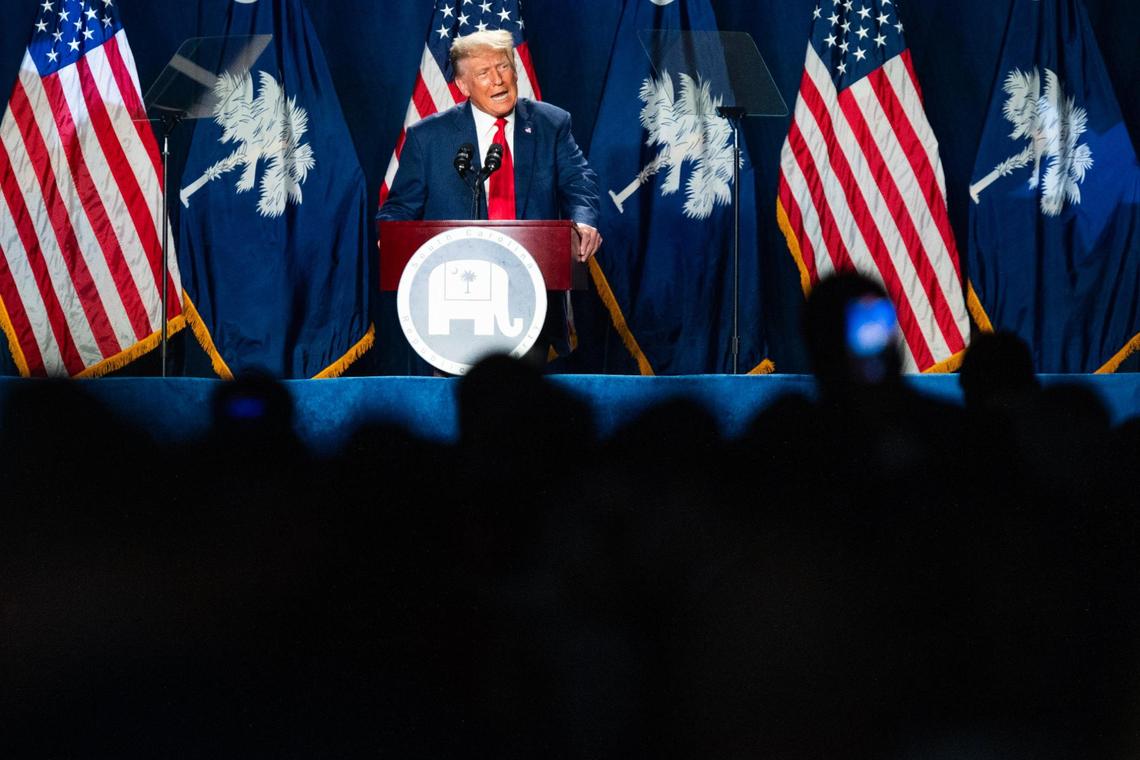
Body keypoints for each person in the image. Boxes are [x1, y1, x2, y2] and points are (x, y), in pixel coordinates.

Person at [377, 30, 601, 365]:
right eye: (484, 73)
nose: (498, 80)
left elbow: (578, 182)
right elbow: (398, 209)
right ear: (463, 86)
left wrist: (584, 220)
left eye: (504, 67)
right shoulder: (428, 137)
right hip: (454, 299)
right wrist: (392, 236)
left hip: (532, 293)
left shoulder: (550, 123)